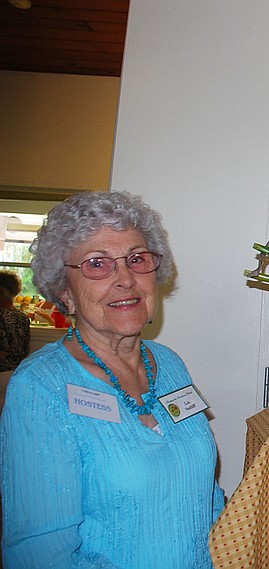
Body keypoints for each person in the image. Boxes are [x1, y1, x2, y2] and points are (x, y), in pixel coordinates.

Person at [0, 191, 225, 568]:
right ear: (64, 290)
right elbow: (38, 552)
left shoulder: (169, 365)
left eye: (137, 259)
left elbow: (206, 495)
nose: (125, 279)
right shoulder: (40, 388)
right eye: (97, 264)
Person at [0, 271, 30, 373]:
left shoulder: (2, 316)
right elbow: (24, 351)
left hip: (3, 370)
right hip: (18, 370)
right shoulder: (22, 317)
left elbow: (2, 354)